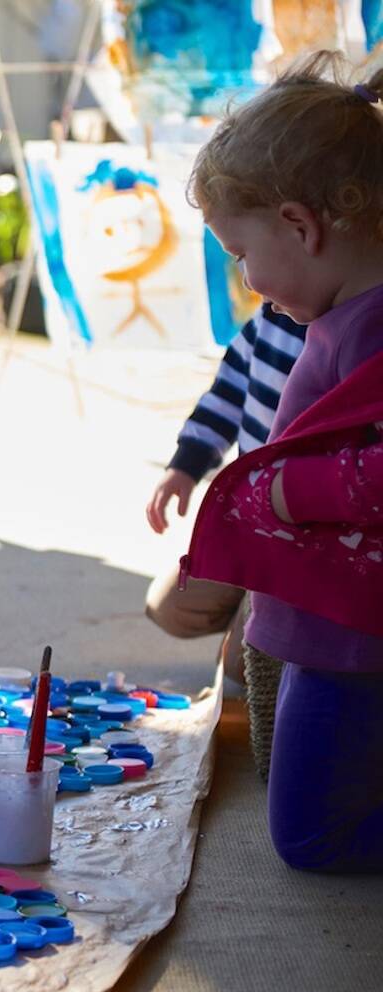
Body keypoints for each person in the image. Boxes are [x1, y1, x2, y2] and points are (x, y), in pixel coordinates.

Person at [183, 52, 383, 873]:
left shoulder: (371, 327)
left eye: (240, 252)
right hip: (325, 627)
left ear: (302, 227)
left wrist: (292, 492)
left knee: (310, 835)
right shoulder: (340, 315)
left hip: (356, 641)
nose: (250, 282)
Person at [144, 304, 306, 689]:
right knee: (170, 608)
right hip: (245, 529)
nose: (248, 284)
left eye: (246, 257)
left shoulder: (346, 334)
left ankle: (267, 624)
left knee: (240, 669)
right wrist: (185, 466)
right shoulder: (270, 317)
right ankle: (247, 609)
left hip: (297, 546)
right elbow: (228, 394)